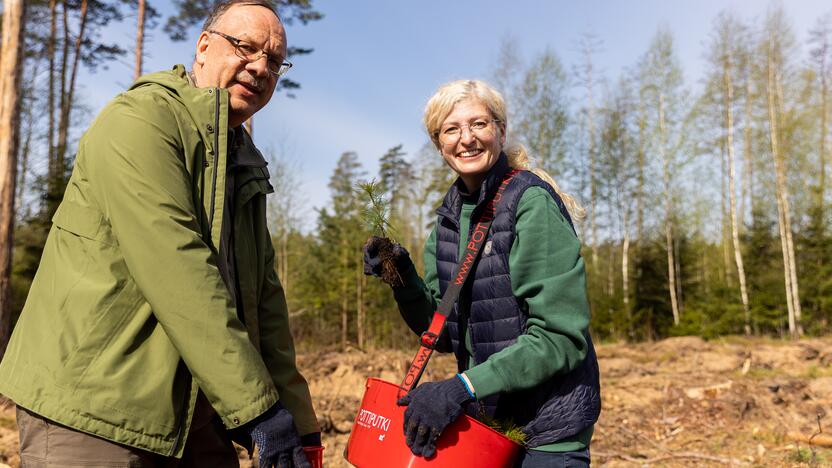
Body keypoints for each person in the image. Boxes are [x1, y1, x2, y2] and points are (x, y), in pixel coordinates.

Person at [0, 1, 319, 466]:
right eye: (246, 47)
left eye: (274, 61)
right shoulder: (142, 119)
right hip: (93, 407)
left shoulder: (243, 161)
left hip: (192, 412)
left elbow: (263, 301)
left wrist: (300, 423)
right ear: (204, 47)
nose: (260, 68)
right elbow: (178, 267)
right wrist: (258, 410)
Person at [364, 80, 601, 467]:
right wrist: (403, 280)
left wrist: (462, 387)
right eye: (452, 129)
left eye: (479, 124)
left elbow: (560, 336)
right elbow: (442, 335)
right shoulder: (447, 223)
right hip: (488, 428)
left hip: (548, 429)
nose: (466, 139)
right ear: (439, 143)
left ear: (501, 131)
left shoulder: (530, 203)